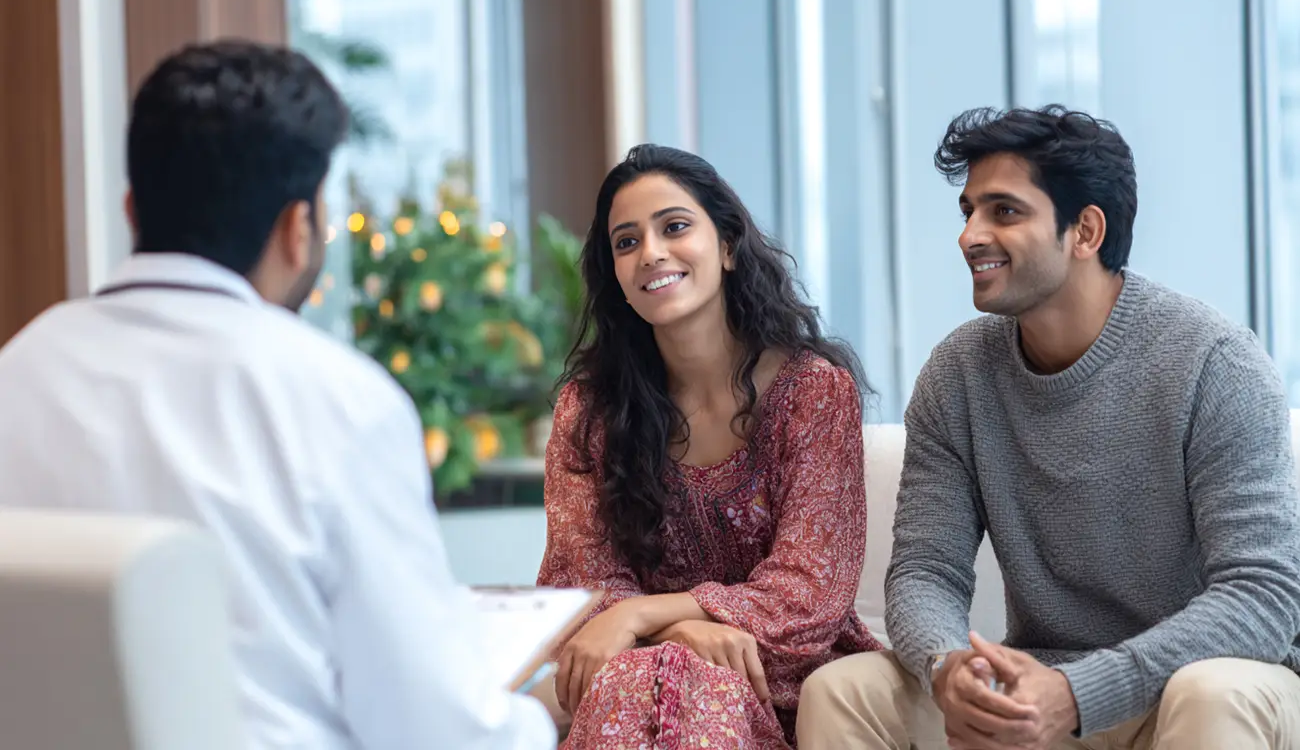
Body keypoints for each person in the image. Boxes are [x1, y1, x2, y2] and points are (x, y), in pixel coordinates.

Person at [0, 40, 556, 750]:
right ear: (298, 230)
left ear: (133, 209)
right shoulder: (337, 401)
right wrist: (537, 718)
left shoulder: (18, 368)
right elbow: (435, 729)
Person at [796, 105, 1300, 750]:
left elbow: (1261, 594)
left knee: (1212, 695)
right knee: (844, 689)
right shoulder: (958, 373)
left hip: (1186, 688)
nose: (970, 235)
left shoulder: (1214, 363)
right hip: (1035, 685)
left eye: (1003, 211)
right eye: (968, 211)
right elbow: (926, 571)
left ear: (1085, 231)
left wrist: (1079, 693)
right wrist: (950, 669)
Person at [534, 143, 883, 748]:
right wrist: (678, 637)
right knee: (650, 679)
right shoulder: (589, 411)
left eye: (674, 227)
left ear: (726, 246)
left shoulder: (813, 391)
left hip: (780, 677)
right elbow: (580, 586)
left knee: (680, 684)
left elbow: (807, 595)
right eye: (626, 241)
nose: (652, 253)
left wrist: (643, 614)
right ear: (615, 276)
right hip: (631, 674)